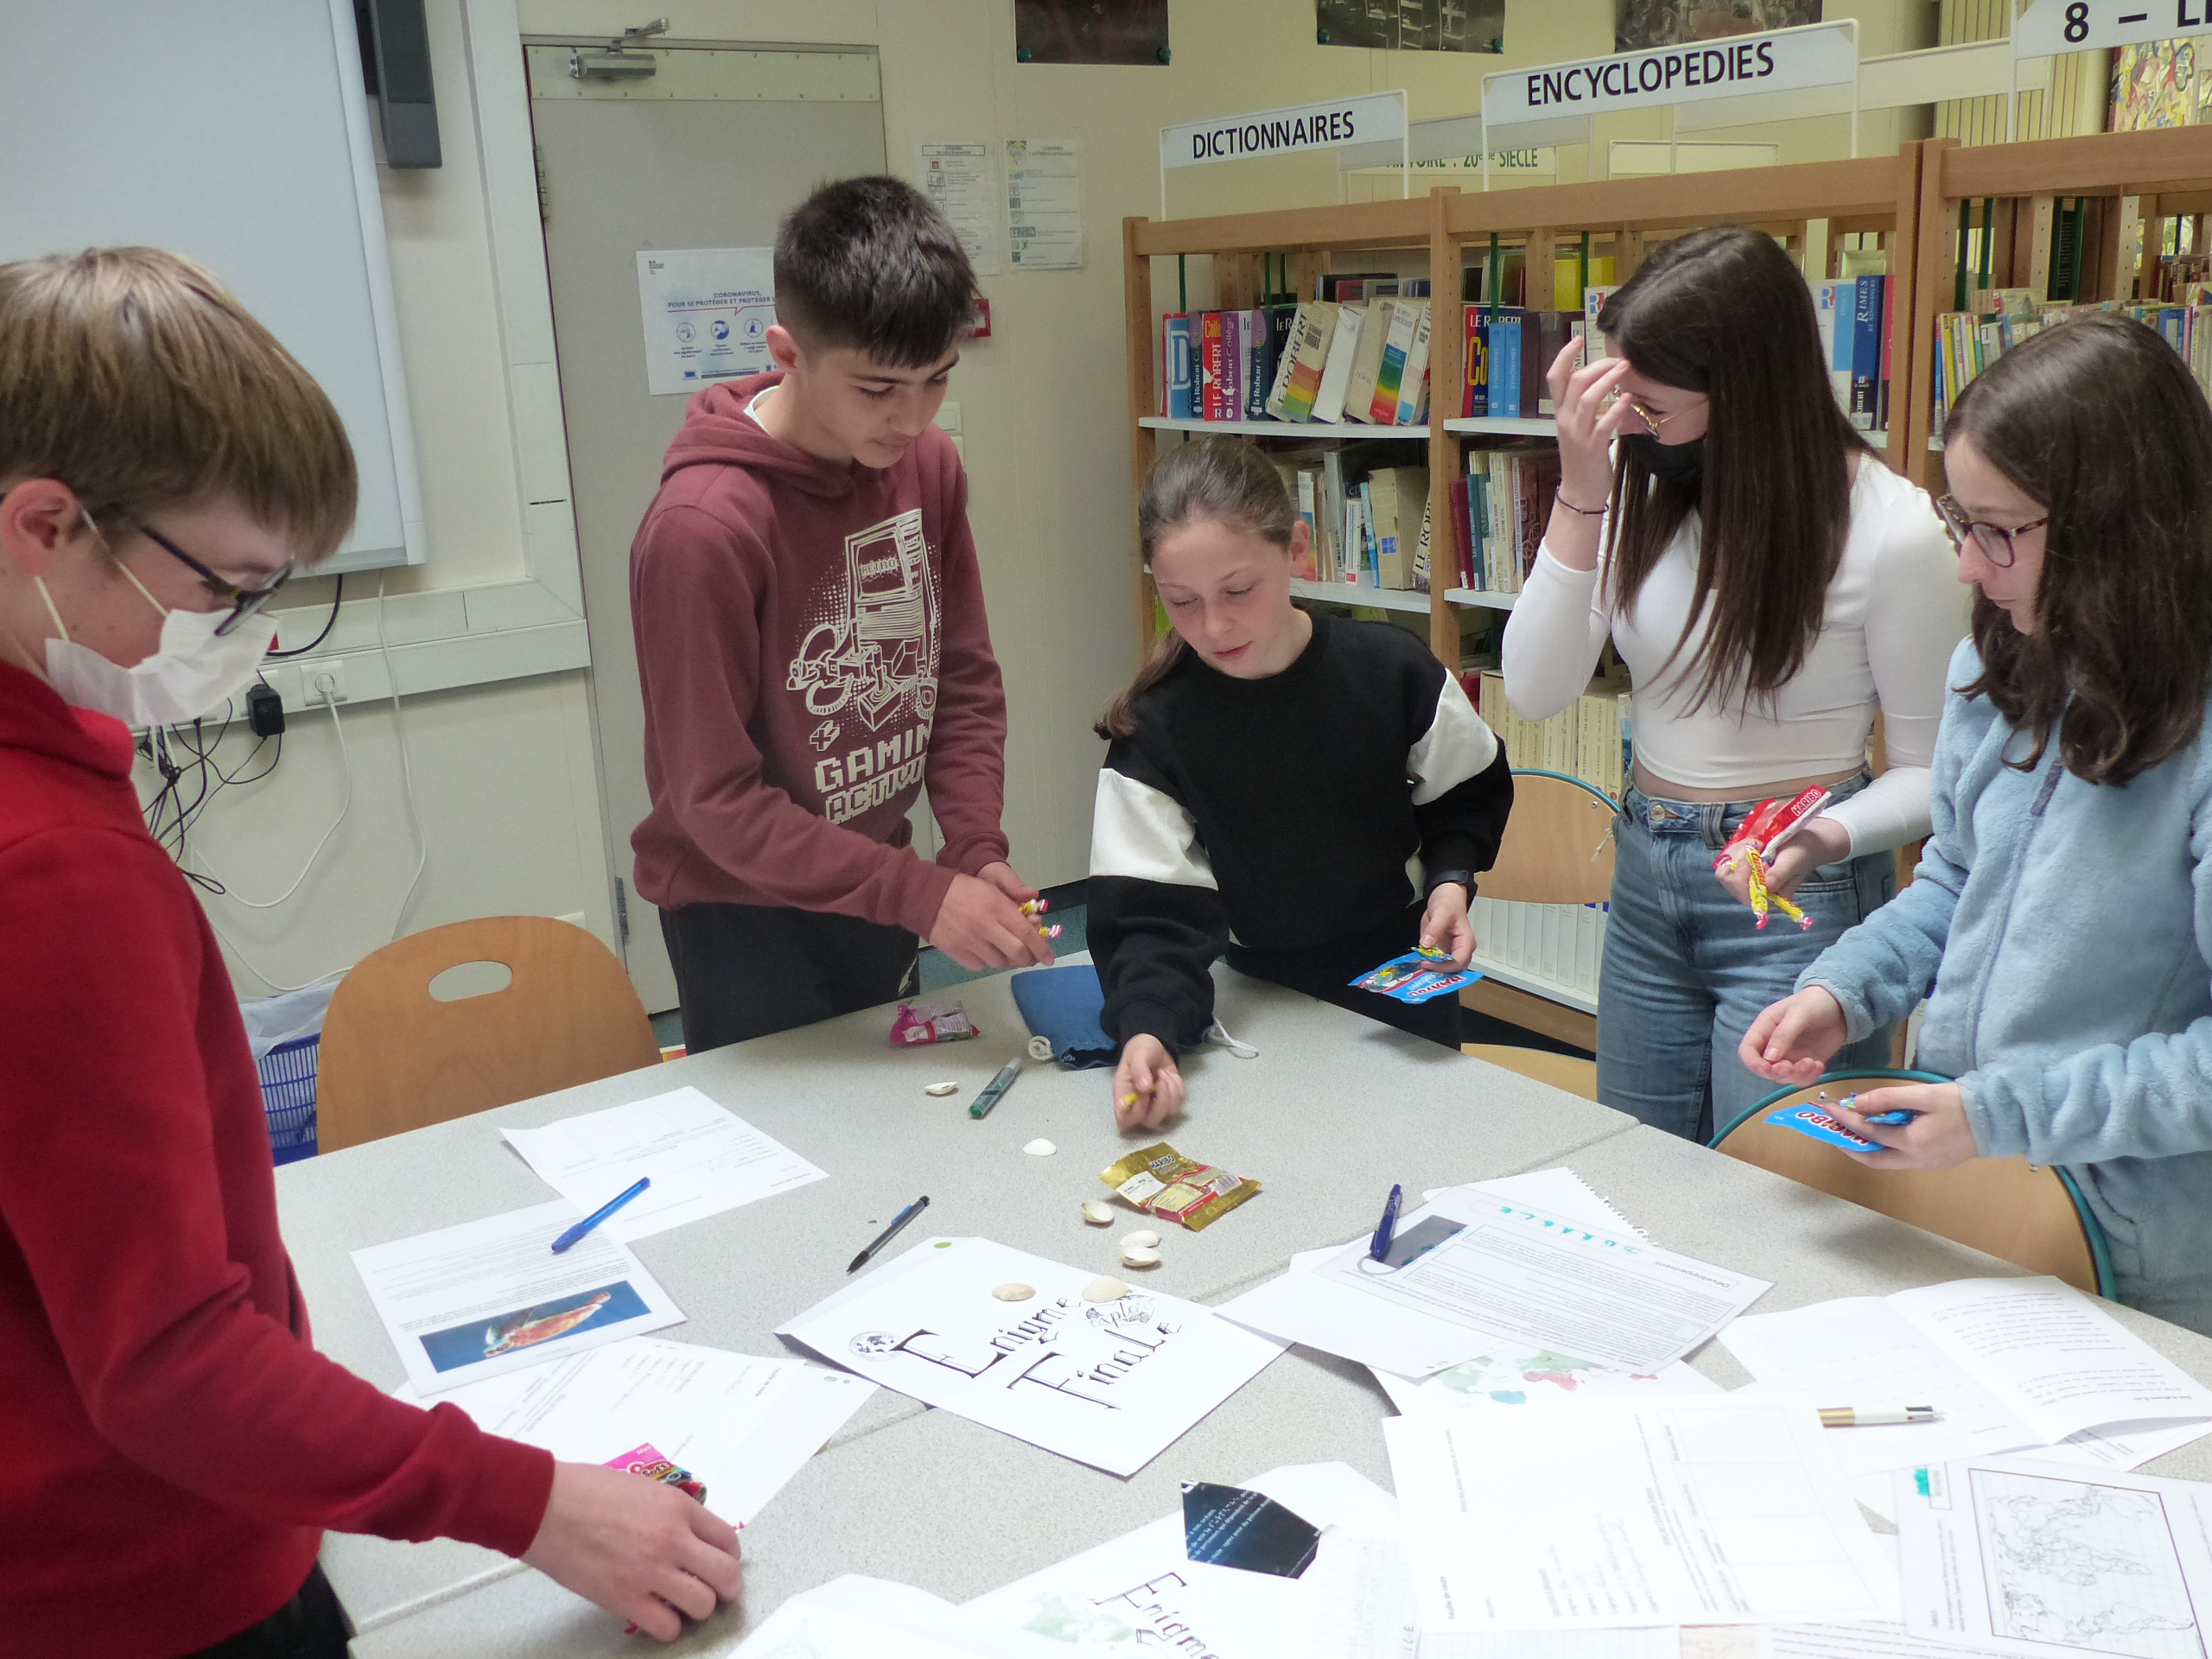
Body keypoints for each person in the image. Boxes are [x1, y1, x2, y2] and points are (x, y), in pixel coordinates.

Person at [0, 249, 741, 1657]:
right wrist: (532, 1503)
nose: (250, 636)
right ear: (46, 525)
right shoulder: (49, 869)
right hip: (145, 1576)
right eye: (225, 588)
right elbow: (169, 1365)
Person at [1743, 313, 2212, 1335]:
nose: (1965, 566)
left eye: (1997, 530)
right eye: (1961, 521)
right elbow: (1956, 882)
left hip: (2133, 1249)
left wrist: (2001, 1114)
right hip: (1970, 1178)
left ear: (2118, 531)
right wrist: (1842, 988)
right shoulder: (1993, 666)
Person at [1501, 224, 1967, 1142]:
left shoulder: (1893, 528)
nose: (1626, 423)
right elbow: (1533, 688)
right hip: (1648, 868)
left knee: (1774, 1189)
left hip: (1797, 893)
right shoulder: (1637, 482)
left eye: (1649, 405)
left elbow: (1932, 775)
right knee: (1639, 1165)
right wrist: (1581, 491)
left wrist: (1824, 835)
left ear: (1745, 394)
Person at [630, 175, 1048, 1054]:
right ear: (788, 352)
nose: (913, 417)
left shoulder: (927, 466)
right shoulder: (702, 528)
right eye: (877, 387)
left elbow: (960, 679)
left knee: (897, 1113)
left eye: (936, 379)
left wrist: (972, 847)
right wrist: (920, 893)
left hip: (874, 881)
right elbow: (714, 800)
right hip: (741, 915)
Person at [1090, 436, 1514, 1128]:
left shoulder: (1391, 671)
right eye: (1181, 601)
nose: (1214, 625)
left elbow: (1466, 794)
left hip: (1403, 989)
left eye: (1238, 590)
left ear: (1295, 547)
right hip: (1259, 1001)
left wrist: (1449, 883)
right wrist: (1147, 1028)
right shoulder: (1156, 727)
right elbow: (1148, 914)